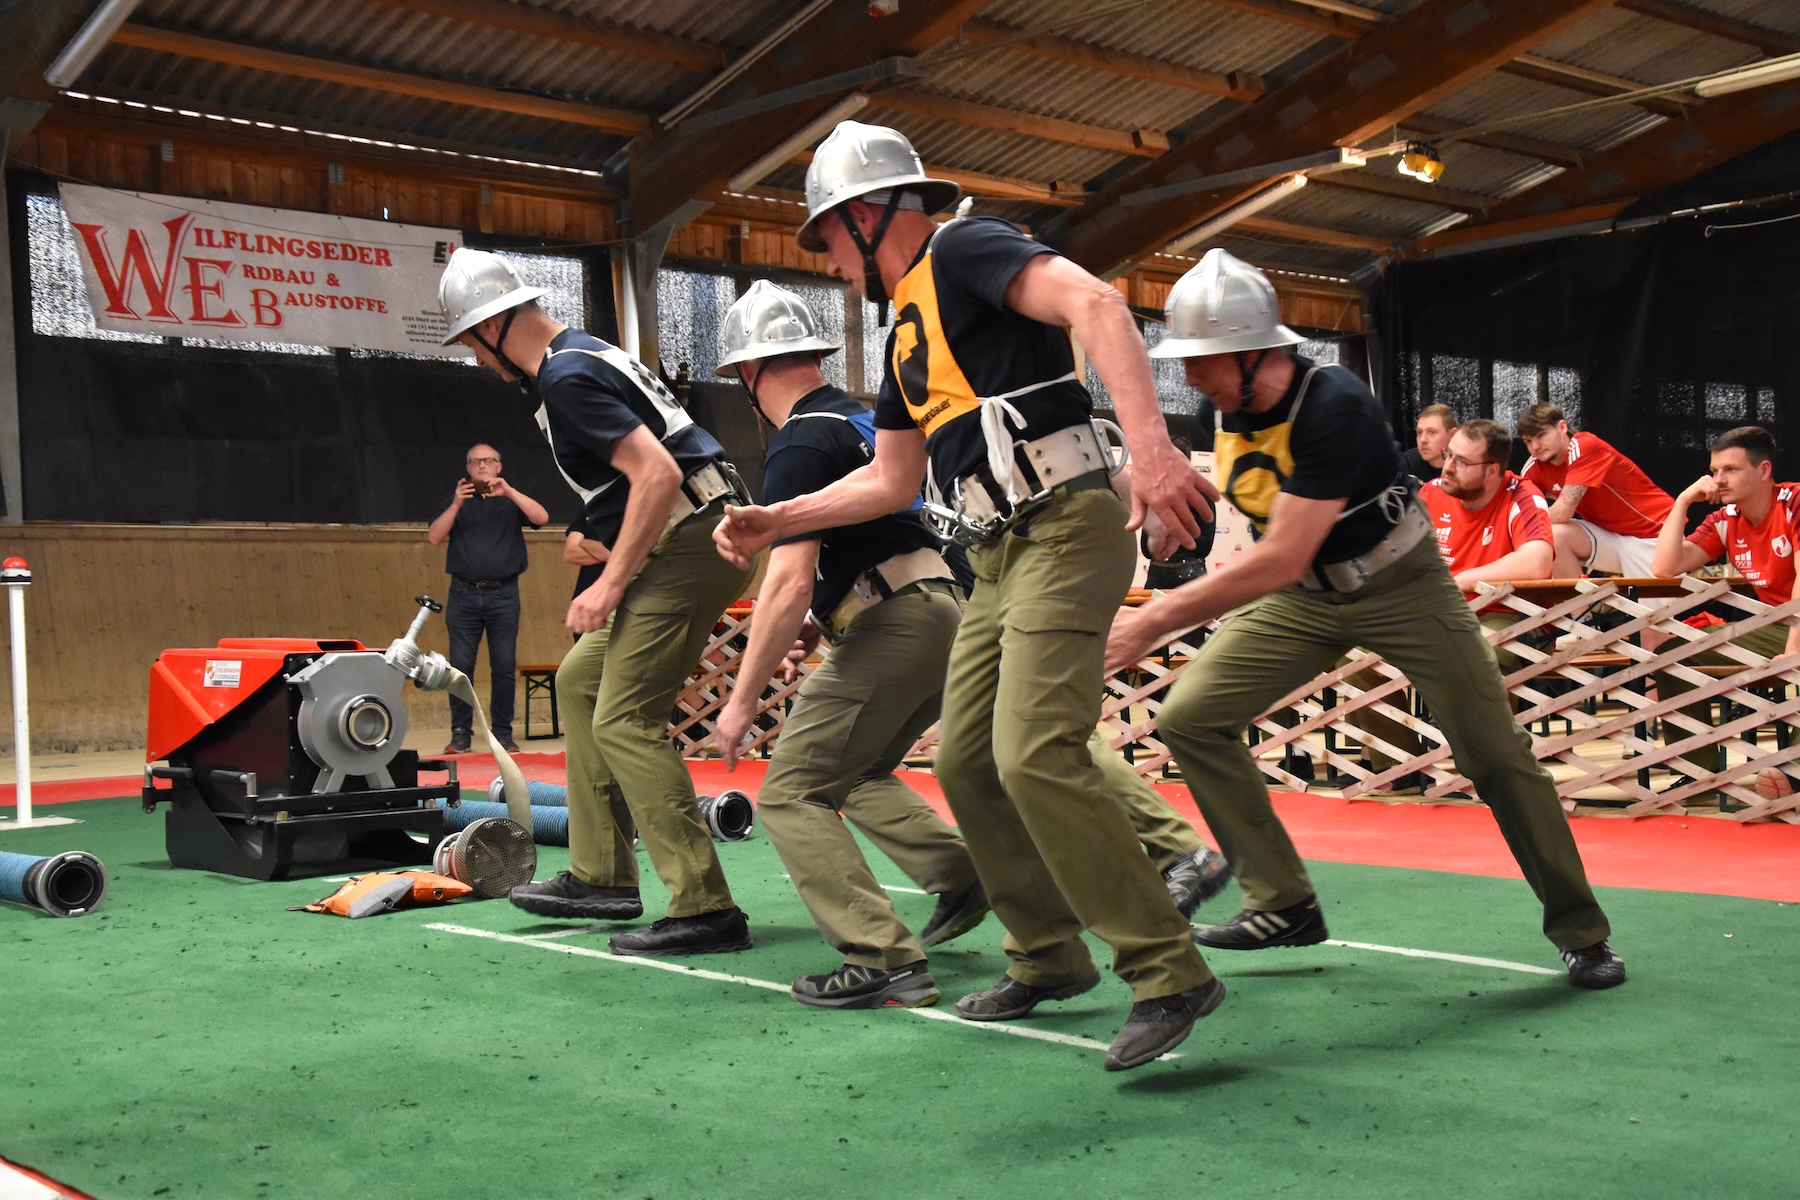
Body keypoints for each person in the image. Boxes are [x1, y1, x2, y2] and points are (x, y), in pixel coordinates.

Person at [713, 120, 1224, 1071]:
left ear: (866, 216)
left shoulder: (964, 250)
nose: (830, 261)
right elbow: (891, 481)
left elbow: (1099, 305)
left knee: (1033, 752)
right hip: (992, 552)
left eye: (827, 237)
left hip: (1064, 523)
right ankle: (1048, 956)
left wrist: (1155, 451)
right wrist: (777, 518)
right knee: (968, 763)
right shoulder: (903, 333)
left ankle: (1167, 970)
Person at [1105, 248, 1625, 990]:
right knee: (1190, 718)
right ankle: (1281, 901)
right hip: (1303, 598)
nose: (1187, 376)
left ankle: (1582, 932)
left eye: (1201, 359)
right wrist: (1170, 500)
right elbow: (1256, 502)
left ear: (1253, 354)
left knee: (1495, 756)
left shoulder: (1335, 405)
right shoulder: (1222, 406)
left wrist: (1154, 619)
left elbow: (1283, 552)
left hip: (1402, 587)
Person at [436, 248, 754, 957]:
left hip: (690, 539)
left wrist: (609, 585)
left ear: (490, 327)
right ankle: (602, 874)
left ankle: (706, 907)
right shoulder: (582, 354)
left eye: (471, 344)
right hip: (697, 529)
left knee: (625, 719)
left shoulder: (566, 377)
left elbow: (657, 474)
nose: (477, 360)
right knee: (580, 681)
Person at [707, 280, 989, 1010]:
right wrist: (833, 612)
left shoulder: (801, 437)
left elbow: (786, 580)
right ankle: (961, 876)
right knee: (856, 773)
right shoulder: (864, 420)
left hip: (895, 623)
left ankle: (881, 958)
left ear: (746, 372)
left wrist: (740, 701)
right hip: (948, 611)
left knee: (791, 793)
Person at [1650, 426, 1800, 787]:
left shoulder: (1794, 501)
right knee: (1673, 656)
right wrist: (1682, 501)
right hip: (1779, 625)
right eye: (1714, 471)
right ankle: (1697, 773)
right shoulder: (1725, 519)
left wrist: (1794, 648)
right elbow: (1664, 567)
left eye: (1730, 469)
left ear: (1763, 470)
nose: (1718, 480)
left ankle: (1792, 775)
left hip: (1793, 627)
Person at [426, 443, 548, 754]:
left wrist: (510, 492)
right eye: (476, 462)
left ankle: (503, 734)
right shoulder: (456, 500)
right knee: (460, 667)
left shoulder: (510, 499)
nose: (482, 466)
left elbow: (542, 517)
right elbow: (435, 536)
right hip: (463, 594)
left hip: (504, 594)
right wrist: (456, 503)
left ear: (498, 467)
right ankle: (460, 734)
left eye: (488, 461)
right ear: (468, 469)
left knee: (504, 666)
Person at [1517, 403, 1672, 578]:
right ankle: (1576, 597)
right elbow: (1516, 511)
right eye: (1528, 441)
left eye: (1541, 435)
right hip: (1609, 537)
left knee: (1669, 600)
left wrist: (1521, 528)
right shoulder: (1534, 466)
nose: (1536, 446)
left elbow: (1562, 512)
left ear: (1562, 427)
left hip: (1654, 533)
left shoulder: (1584, 445)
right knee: (1554, 535)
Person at [1424, 419, 1554, 597]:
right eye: (1448, 454)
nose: (1448, 467)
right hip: (1437, 604)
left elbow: (1537, 564)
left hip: (1499, 607)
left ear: (1492, 471)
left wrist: (1461, 581)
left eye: (1462, 462)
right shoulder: (1432, 492)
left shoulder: (1522, 497)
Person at [1399, 404, 1456, 482]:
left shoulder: (1467, 465)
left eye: (1432, 432)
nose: (1423, 440)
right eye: (1419, 432)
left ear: (1453, 434)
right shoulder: (1407, 464)